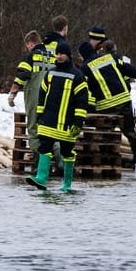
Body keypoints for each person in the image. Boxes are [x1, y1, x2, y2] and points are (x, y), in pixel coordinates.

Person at [80, 27, 136, 167]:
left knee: (105, 132)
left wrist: (88, 107)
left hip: (106, 106)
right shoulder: (110, 57)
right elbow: (128, 69)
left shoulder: (86, 67)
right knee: (130, 131)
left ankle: (105, 158)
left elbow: (89, 89)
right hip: (124, 99)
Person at [28, 49, 90, 194]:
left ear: (69, 55)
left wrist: (78, 122)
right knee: (44, 147)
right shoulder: (50, 73)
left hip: (67, 124)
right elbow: (42, 94)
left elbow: (82, 102)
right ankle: (41, 179)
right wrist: (39, 114)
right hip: (48, 120)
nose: (59, 56)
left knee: (67, 152)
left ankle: (67, 184)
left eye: (62, 53)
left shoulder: (78, 76)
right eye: (57, 53)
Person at [7, 30, 47, 160]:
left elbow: (22, 75)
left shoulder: (30, 57)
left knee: (34, 129)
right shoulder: (53, 56)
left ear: (30, 44)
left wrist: (13, 93)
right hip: (53, 99)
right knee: (49, 130)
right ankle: (58, 162)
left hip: (35, 98)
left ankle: (38, 162)